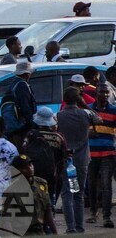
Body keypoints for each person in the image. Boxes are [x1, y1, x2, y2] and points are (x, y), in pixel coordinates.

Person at [57, 86, 90, 233]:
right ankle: (80, 226)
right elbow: (99, 118)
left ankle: (71, 227)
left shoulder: (59, 116)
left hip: (67, 160)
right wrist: (83, 105)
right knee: (79, 193)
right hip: (81, 160)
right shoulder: (85, 114)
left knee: (67, 193)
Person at [0, 154, 56, 236]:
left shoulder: (41, 184)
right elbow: (7, 221)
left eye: (30, 164)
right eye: (25, 167)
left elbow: (47, 210)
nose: (30, 168)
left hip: (40, 232)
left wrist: (55, 233)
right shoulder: (11, 191)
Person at [87, 83, 116, 227]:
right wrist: (88, 133)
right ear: (96, 94)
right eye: (101, 92)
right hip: (91, 154)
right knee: (91, 185)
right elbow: (80, 130)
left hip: (108, 154)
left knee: (106, 185)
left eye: (106, 93)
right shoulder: (88, 110)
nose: (104, 95)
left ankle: (106, 216)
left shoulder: (114, 111)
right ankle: (93, 212)